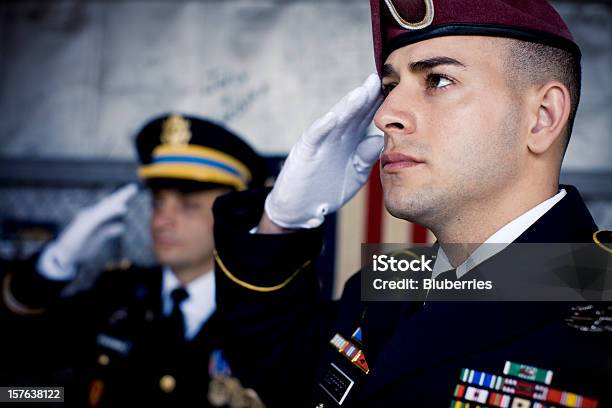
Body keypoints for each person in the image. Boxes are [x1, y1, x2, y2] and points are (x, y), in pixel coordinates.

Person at [210, 1, 611, 407]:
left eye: (438, 80)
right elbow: (278, 363)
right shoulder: (402, 278)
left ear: (542, 117)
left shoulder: (598, 290)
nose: (386, 115)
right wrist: (282, 221)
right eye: (389, 88)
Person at [1, 113, 267, 407]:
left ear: (237, 216)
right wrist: (52, 266)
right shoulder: (117, 292)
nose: (162, 221)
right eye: (158, 203)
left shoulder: (263, 316)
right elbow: (18, 366)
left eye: (189, 206)